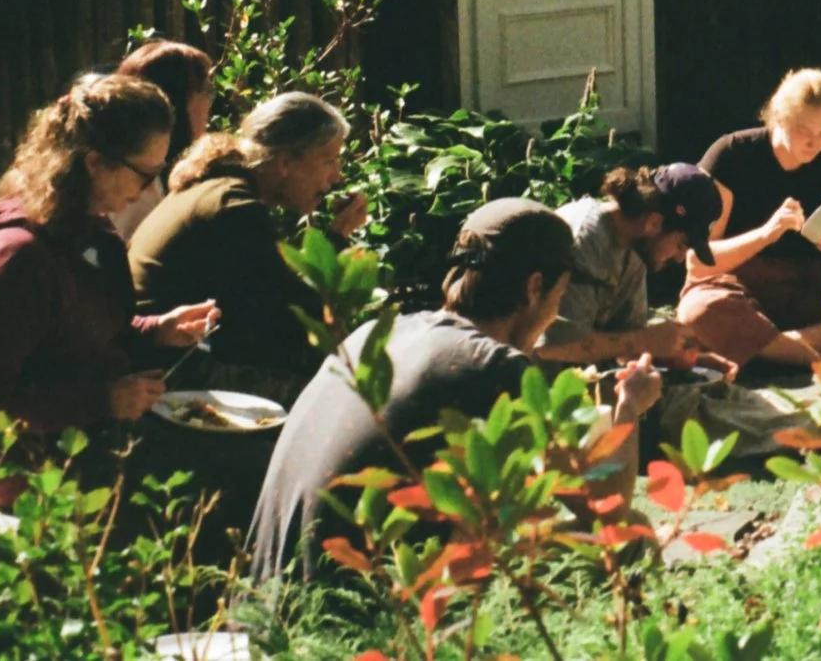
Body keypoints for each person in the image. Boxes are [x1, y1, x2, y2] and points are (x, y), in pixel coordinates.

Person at [249, 197, 659, 582]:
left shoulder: (374, 334)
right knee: (631, 536)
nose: (555, 314)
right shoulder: (493, 367)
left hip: (263, 598)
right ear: (535, 287)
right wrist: (629, 406)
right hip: (349, 613)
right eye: (560, 295)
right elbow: (607, 511)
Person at [0, 75, 219, 499]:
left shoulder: (88, 228)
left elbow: (78, 331)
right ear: (94, 163)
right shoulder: (17, 260)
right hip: (27, 462)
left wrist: (158, 329)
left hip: (82, 429)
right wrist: (105, 400)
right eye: (145, 174)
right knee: (218, 474)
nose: (151, 188)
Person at [129, 92, 364, 404]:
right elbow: (297, 316)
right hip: (166, 374)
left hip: (154, 356)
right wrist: (337, 238)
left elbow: (269, 291)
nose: (337, 176)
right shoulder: (234, 207)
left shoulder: (219, 186)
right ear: (285, 162)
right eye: (329, 161)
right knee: (341, 395)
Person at [679, 68, 821, 368]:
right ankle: (820, 356)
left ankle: (774, 347)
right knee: (700, 312)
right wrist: (766, 234)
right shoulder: (731, 155)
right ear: (779, 118)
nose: (815, 143)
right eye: (803, 131)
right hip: (736, 286)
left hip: (806, 294)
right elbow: (697, 263)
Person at [537, 163, 722, 367]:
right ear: (653, 222)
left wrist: (688, 360)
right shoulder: (584, 241)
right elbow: (552, 345)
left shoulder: (635, 249)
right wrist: (645, 340)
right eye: (681, 245)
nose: (679, 258)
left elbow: (626, 344)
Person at [109, 39, 216, 237]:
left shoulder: (158, 171)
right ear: (177, 101)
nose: (209, 103)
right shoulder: (139, 189)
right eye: (205, 91)